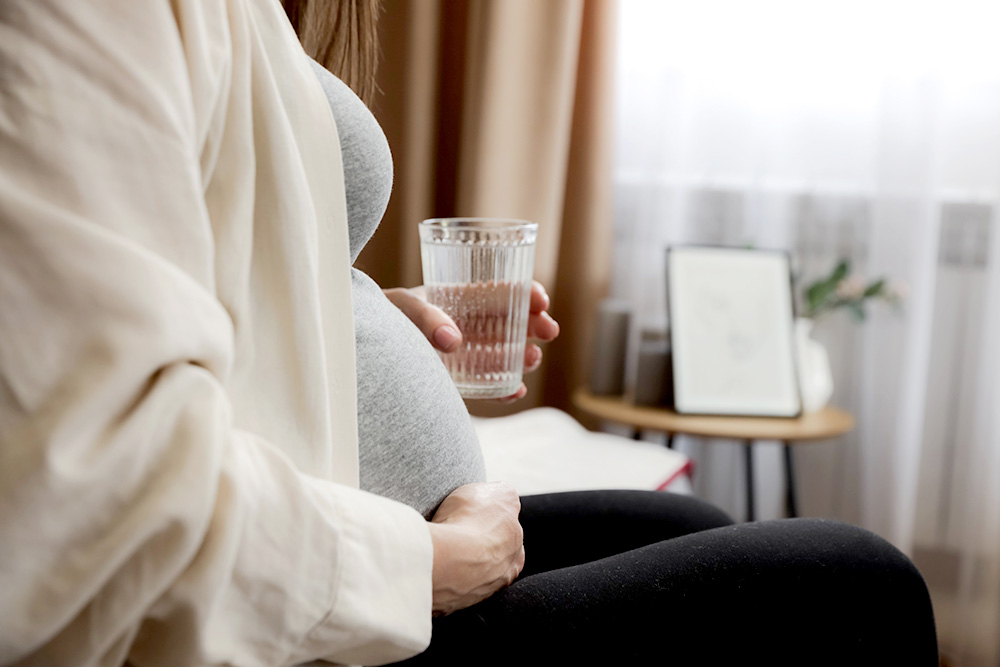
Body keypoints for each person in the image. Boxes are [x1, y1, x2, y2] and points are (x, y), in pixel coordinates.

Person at [0, 2, 937, 666]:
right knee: (857, 584)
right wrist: (430, 567)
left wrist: (348, 312)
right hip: (318, 610)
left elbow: (157, 272)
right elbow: (93, 493)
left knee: (685, 521)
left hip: (347, 529)